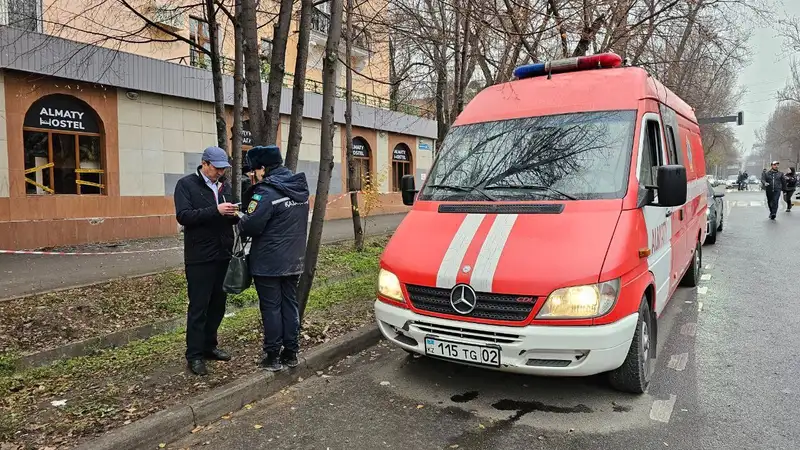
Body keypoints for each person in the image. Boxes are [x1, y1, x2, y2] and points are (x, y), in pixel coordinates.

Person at [237, 145, 310, 372]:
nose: (253, 175)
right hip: (294, 260)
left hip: (268, 262)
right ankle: (291, 353)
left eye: (254, 171)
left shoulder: (266, 193)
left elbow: (250, 226)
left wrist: (240, 217)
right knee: (289, 304)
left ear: (262, 169)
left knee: (271, 308)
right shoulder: (298, 188)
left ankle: (272, 356)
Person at [174, 146, 238, 376]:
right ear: (205, 163)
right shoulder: (186, 185)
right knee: (199, 307)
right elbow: (184, 216)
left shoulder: (225, 186)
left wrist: (233, 214)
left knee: (218, 306)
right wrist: (216, 210)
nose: (220, 172)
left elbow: (225, 216)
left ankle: (210, 346)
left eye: (223, 169)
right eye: (217, 168)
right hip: (200, 257)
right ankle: (194, 355)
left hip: (223, 253)